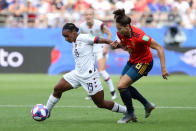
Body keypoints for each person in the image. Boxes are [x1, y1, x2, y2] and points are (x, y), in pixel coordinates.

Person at [46, 23, 127, 120]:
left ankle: (127, 111)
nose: (66, 39)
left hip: (89, 77)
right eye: (64, 37)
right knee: (57, 89)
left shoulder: (84, 37)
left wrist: (110, 42)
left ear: (74, 32)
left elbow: (99, 39)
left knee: (101, 104)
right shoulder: (74, 40)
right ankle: (46, 111)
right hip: (77, 74)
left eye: (67, 36)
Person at [112, 9, 169, 123]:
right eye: (117, 28)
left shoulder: (140, 36)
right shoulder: (120, 33)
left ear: (127, 26)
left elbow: (159, 47)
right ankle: (147, 105)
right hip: (133, 60)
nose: (118, 31)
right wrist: (118, 45)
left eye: (119, 28)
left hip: (145, 62)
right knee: (123, 85)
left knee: (122, 85)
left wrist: (163, 68)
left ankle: (130, 114)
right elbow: (126, 46)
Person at [79, 8, 117, 100]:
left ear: (93, 15)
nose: (88, 16)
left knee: (101, 71)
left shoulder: (99, 24)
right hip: (90, 50)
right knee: (89, 72)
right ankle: (91, 93)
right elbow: (83, 39)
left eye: (90, 14)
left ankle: (113, 91)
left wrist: (106, 46)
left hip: (101, 48)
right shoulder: (82, 27)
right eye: (87, 15)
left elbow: (109, 34)